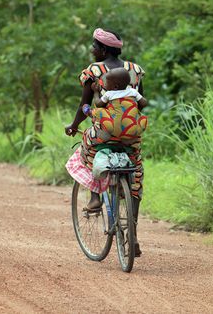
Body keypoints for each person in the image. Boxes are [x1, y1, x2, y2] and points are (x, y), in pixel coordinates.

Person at [65, 28, 146, 257]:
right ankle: (133, 233)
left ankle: (94, 197)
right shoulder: (135, 70)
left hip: (104, 132)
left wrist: (73, 126)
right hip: (131, 134)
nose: (92, 50)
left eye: (94, 46)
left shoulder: (93, 71)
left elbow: (85, 105)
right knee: (136, 171)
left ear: (102, 49)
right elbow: (139, 104)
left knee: (86, 149)